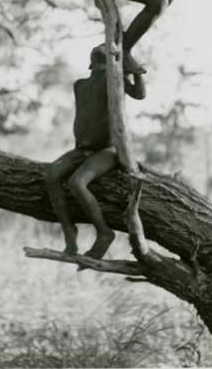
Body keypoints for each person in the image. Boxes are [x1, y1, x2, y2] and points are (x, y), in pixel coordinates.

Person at [45, 44, 146, 259]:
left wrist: (135, 72)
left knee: (77, 182)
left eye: (105, 62)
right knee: (51, 174)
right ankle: (68, 229)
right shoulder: (79, 85)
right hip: (81, 149)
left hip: (107, 150)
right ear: (90, 64)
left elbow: (139, 94)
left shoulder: (114, 82)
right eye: (98, 61)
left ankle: (103, 232)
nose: (101, 66)